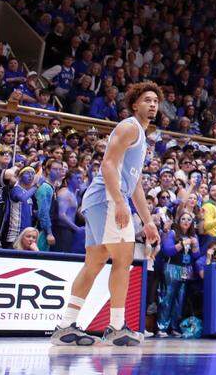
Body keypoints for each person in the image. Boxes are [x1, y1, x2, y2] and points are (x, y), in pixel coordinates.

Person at [51, 82, 162, 347]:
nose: (153, 104)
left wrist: (148, 222)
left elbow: (134, 184)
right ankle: (115, 327)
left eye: (156, 101)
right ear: (135, 104)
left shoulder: (143, 136)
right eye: (147, 100)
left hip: (105, 199)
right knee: (123, 259)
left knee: (95, 262)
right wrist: (119, 202)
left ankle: (66, 326)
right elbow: (108, 164)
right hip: (106, 198)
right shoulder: (129, 127)